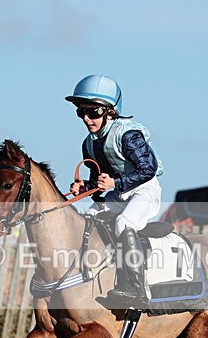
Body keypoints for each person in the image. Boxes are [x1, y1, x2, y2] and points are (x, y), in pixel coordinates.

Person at [66, 74, 164, 305]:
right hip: (118, 193)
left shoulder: (127, 134)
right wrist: (84, 188)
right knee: (87, 218)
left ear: (110, 112)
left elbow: (148, 168)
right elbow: (98, 183)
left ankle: (136, 288)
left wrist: (115, 183)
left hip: (144, 191)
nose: (87, 119)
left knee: (124, 223)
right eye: (82, 112)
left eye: (94, 112)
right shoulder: (88, 143)